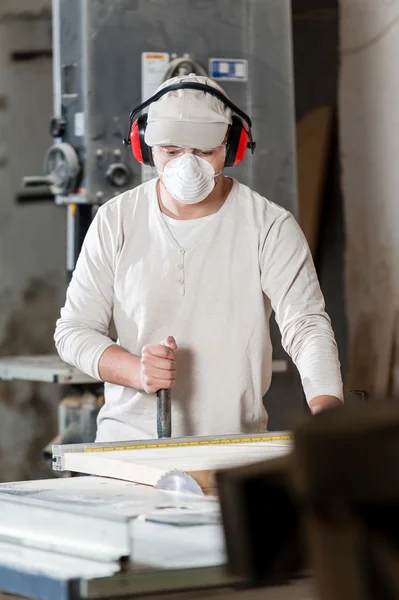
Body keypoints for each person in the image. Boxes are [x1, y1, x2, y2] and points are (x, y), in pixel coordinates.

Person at [54, 74, 343, 443]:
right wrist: (135, 371)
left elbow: (306, 327)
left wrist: (328, 416)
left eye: (204, 151)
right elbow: (73, 332)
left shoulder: (269, 226)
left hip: (233, 446)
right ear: (145, 147)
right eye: (171, 151)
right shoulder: (117, 220)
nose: (187, 166)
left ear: (233, 146)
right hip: (129, 448)